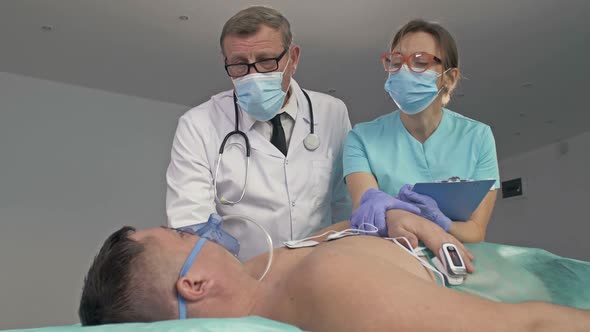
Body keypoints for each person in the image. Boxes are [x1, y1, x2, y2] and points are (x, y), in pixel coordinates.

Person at [79, 222, 590, 331]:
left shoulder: (257, 272)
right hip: (537, 283)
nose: (204, 233)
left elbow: (337, 233)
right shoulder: (337, 291)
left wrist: (379, 215)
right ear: (193, 285)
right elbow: (530, 326)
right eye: (185, 237)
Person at [166, 6, 352, 259]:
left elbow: (343, 203)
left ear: (293, 58)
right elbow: (191, 221)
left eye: (266, 61)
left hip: (319, 272)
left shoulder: (332, 112)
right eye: (239, 65)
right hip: (243, 276)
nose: (253, 76)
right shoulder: (198, 124)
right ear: (226, 62)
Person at [344, 19, 499, 244]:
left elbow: (475, 232)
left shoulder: (478, 137)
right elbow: (369, 216)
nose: (404, 71)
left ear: (449, 77)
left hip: (456, 257)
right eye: (396, 61)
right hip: (392, 259)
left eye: (420, 61)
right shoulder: (361, 139)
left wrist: (441, 221)